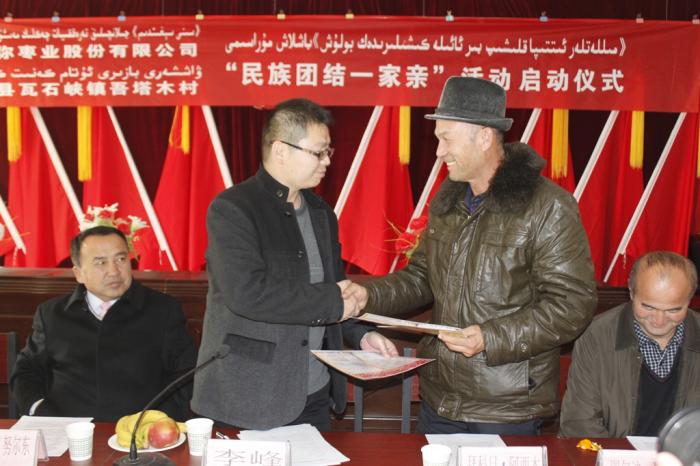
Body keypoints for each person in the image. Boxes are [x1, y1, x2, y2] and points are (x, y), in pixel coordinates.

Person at [345, 76, 597, 435]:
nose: (439, 151)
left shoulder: (546, 206)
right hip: (440, 399)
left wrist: (490, 337)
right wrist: (367, 295)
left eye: (447, 139)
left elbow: (573, 305)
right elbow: (421, 278)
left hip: (506, 406)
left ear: (484, 137)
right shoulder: (448, 201)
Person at [191, 98, 397, 431]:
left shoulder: (320, 213)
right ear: (280, 150)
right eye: (318, 152)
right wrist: (335, 302)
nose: (327, 161)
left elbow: (335, 289)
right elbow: (248, 294)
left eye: (328, 152)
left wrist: (360, 335)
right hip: (250, 394)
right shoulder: (234, 209)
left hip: (312, 390)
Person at [10, 226, 197, 421]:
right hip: (68, 429)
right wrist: (40, 411)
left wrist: (158, 420)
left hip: (140, 430)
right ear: (79, 273)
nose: (114, 271)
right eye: (101, 263)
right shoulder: (52, 315)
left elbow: (186, 375)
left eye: (121, 259)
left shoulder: (163, 310)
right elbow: (26, 371)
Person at [560, 251, 700, 438]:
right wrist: (615, 453)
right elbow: (579, 421)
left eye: (673, 310)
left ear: (690, 300)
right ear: (631, 291)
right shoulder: (597, 336)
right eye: (648, 307)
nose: (659, 321)